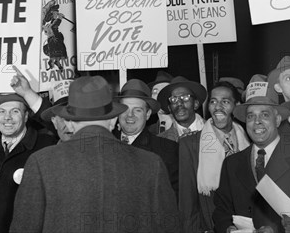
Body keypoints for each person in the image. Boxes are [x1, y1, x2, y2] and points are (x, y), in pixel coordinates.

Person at [9, 76, 181, 233]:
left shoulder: (41, 163)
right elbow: (169, 227)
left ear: (70, 122)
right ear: (113, 120)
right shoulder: (151, 164)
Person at [213, 79, 290, 233]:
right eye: (251, 116)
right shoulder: (232, 163)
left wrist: (277, 230)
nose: (257, 122)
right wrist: (227, 228)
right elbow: (221, 209)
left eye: (264, 115)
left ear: (278, 120)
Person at [0, 76, 57, 233]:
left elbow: (58, 122)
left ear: (26, 116)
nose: (7, 117)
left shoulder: (44, 144)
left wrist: (27, 93)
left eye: (15, 111)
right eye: (2, 111)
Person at [179, 81, 250, 232]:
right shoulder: (190, 144)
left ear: (236, 105)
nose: (218, 107)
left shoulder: (249, 139)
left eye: (225, 101)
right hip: (209, 226)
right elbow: (187, 201)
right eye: (213, 101)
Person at [114, 78, 179, 198]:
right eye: (125, 109)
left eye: (137, 110)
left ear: (147, 114)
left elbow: (171, 199)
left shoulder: (167, 150)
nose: (130, 115)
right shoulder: (103, 145)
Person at [157, 76, 207, 142]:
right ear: (169, 108)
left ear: (195, 104)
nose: (179, 103)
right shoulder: (161, 141)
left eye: (185, 98)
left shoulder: (217, 132)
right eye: (173, 99)